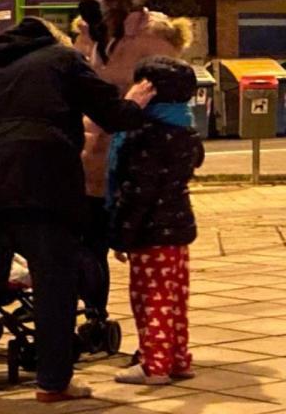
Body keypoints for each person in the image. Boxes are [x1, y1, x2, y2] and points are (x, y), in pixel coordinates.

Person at [0, 17, 155, 402]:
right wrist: (134, 102)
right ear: (53, 38)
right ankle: (53, 381)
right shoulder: (61, 59)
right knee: (55, 280)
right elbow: (111, 114)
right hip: (41, 179)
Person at [74, 0, 191, 323]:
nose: (87, 2)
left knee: (143, 251)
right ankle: (95, 317)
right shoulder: (87, 36)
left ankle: (158, 338)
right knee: (87, 244)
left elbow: (168, 94)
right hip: (89, 158)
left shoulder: (154, 36)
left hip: (135, 160)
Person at [109, 56, 203, 385]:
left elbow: (138, 192)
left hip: (150, 230)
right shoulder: (185, 129)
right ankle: (177, 358)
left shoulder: (145, 135)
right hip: (178, 227)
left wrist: (120, 235)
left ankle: (154, 364)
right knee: (175, 297)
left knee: (151, 299)